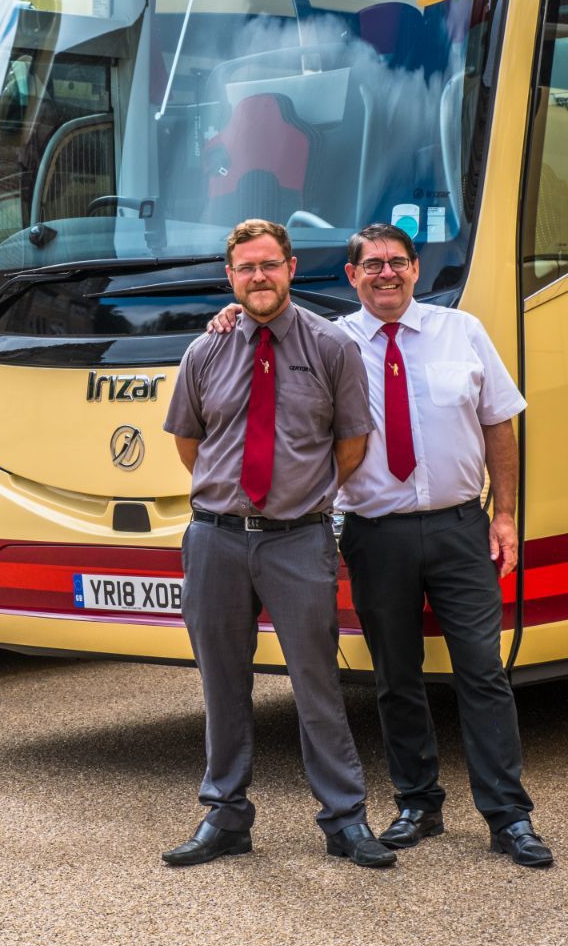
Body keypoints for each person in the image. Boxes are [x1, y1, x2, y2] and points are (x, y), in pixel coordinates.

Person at [209, 222, 553, 868]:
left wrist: (504, 514)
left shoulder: (463, 331)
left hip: (459, 529)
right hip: (375, 534)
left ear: (416, 269)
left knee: (483, 673)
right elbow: (268, 319)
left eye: (396, 262)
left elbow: (499, 424)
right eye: (370, 265)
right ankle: (417, 803)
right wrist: (229, 315)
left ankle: (508, 817)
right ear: (351, 277)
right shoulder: (331, 344)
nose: (384, 274)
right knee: (396, 679)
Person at [162, 218, 396, 869]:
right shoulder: (204, 351)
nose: (258, 277)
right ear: (229, 278)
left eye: (269, 265)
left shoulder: (331, 348)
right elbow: (189, 441)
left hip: (298, 540)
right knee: (223, 684)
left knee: (317, 683)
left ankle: (345, 820)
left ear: (291, 268)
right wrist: (229, 497)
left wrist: (303, 493)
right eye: (246, 268)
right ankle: (227, 817)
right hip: (216, 540)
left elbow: (353, 442)